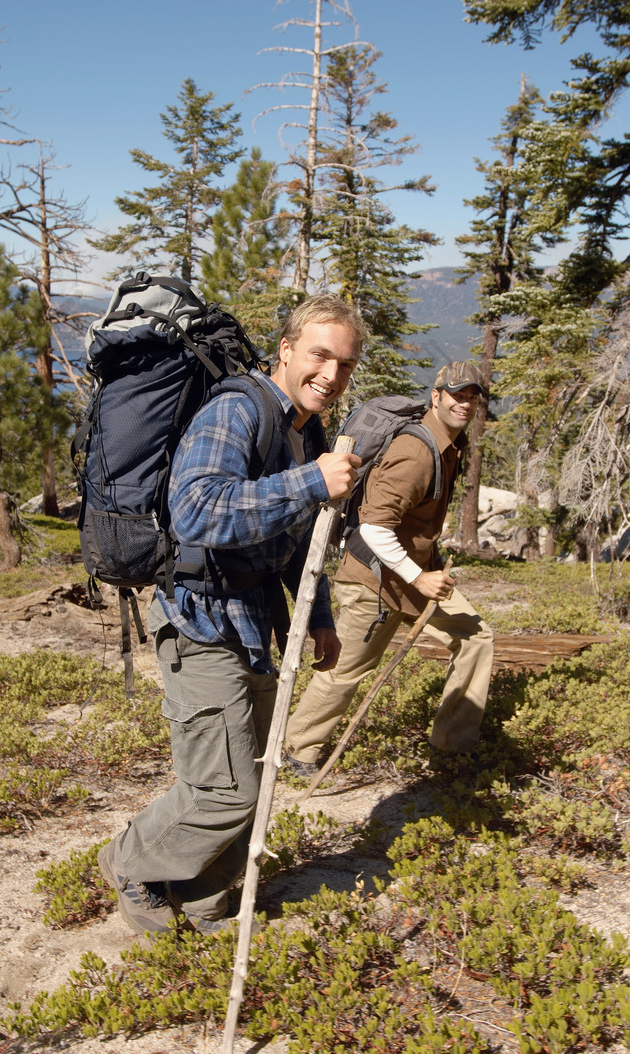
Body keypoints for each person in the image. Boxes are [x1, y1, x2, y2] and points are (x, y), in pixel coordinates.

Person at [98, 293, 364, 934]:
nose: (331, 373)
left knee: (255, 781)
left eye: (345, 363)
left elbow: (300, 538)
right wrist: (310, 483)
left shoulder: (306, 432)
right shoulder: (238, 410)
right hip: (199, 621)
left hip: (250, 623)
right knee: (224, 789)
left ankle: (204, 899)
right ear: (287, 350)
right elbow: (196, 509)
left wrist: (318, 610)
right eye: (319, 355)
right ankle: (131, 864)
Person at [284, 360, 494, 775]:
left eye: (473, 397)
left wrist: (421, 572)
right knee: (345, 669)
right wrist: (420, 576)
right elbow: (375, 526)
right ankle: (297, 750)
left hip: (412, 575)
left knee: (475, 638)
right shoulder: (417, 452)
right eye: (457, 394)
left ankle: (452, 745)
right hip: (375, 580)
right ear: (436, 397)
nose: (465, 404)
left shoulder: (450, 445)